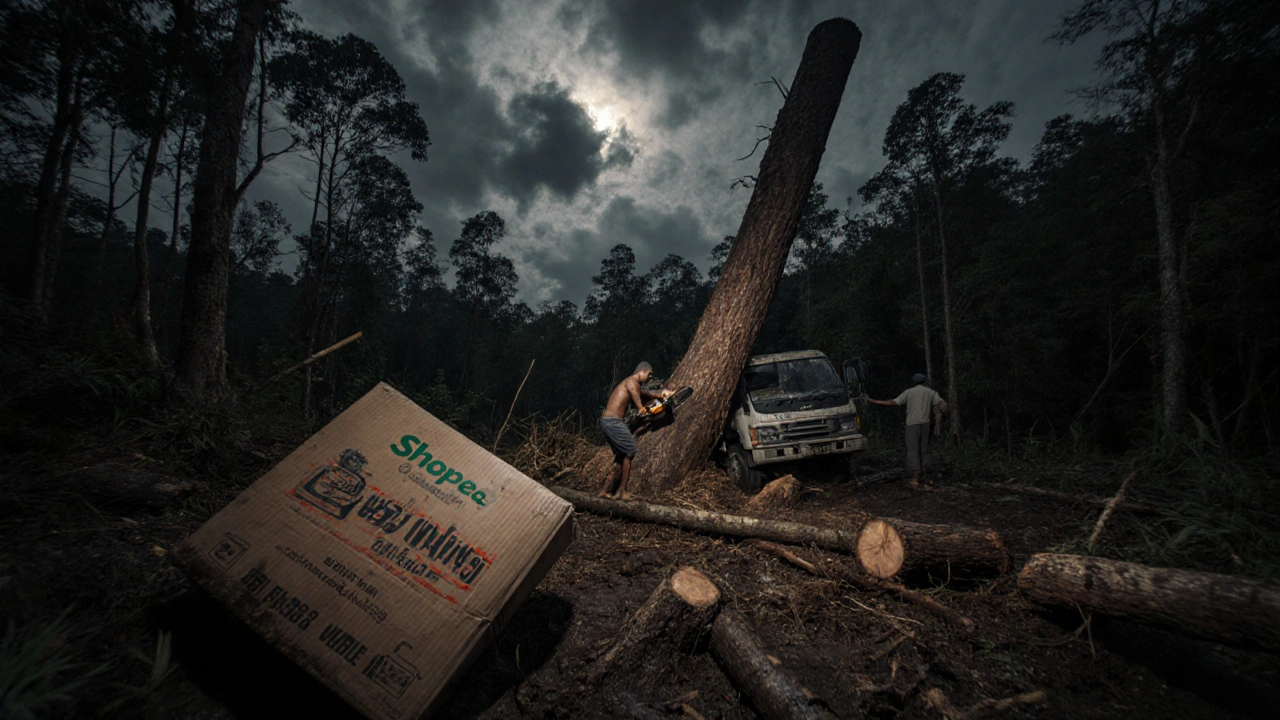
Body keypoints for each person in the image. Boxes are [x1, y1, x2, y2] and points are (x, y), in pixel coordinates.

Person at [599, 361, 673, 500]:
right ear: (642, 371)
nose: (649, 377)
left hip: (608, 422)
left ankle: (604, 490)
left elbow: (645, 393)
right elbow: (636, 393)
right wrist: (640, 408)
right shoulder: (632, 381)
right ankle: (622, 491)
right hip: (613, 422)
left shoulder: (631, 383)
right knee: (631, 449)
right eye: (649, 374)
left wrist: (660, 395)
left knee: (621, 456)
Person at [867, 373, 948, 488]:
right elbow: (942, 404)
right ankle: (928, 478)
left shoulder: (909, 392)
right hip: (926, 424)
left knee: (913, 450)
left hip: (912, 424)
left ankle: (915, 478)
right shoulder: (930, 392)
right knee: (924, 450)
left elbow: (894, 402)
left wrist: (875, 401)